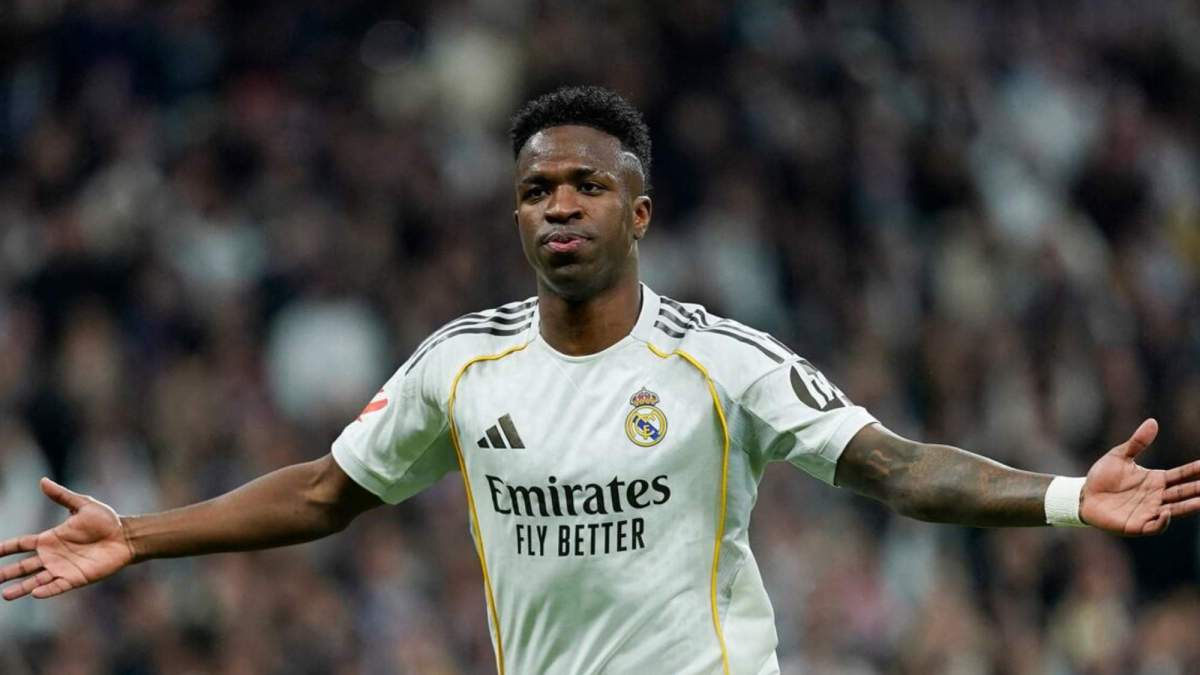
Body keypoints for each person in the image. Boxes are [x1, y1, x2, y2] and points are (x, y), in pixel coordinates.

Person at [2, 86, 1199, 675]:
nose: (559, 206)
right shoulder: (461, 365)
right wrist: (138, 538)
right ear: (516, 216)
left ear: (640, 212)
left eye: (585, 185)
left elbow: (897, 469)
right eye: (536, 190)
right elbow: (325, 493)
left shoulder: (722, 360)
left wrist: (1064, 497)